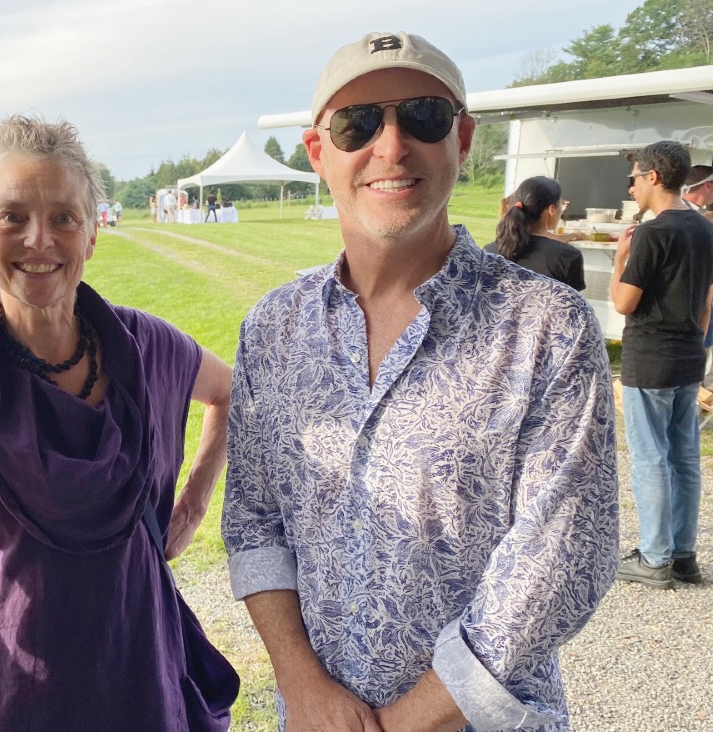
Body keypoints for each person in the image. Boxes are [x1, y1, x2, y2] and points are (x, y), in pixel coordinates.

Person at [222, 32, 618, 731]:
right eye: (358, 123)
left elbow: (560, 563)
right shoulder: (272, 330)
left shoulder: (544, 327)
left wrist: (408, 720)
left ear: (462, 139)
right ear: (320, 153)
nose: (392, 145)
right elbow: (255, 523)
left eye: (424, 116)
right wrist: (302, 685)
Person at [0, 115, 238, 731]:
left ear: (91, 235)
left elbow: (231, 395)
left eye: (63, 217)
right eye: (12, 217)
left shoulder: (147, 347)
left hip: (143, 673)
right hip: (13, 694)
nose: (39, 239)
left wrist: (191, 507)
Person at [611, 140, 713, 589]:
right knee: (684, 455)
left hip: (650, 356)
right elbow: (707, 300)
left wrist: (619, 261)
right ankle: (683, 554)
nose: (630, 186)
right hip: (690, 354)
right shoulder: (706, 227)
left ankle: (654, 558)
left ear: (653, 176)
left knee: (651, 457)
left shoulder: (653, 233)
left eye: (633, 177)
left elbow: (623, 302)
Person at [483, 176, 585, 290]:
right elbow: (574, 305)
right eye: (561, 203)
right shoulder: (568, 257)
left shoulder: (488, 251)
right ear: (551, 209)